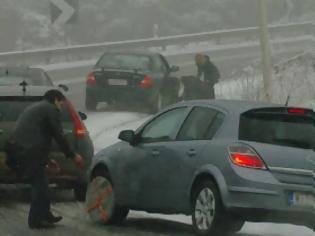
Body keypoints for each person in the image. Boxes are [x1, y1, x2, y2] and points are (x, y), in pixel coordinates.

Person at [4, 89, 84, 229]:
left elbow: (37, 136)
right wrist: (73, 155)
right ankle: (35, 220)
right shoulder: (50, 109)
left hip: (21, 149)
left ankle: (45, 214)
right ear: (55, 100)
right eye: (61, 103)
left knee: (43, 183)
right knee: (39, 185)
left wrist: (46, 160)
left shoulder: (38, 108)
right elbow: (59, 136)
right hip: (28, 151)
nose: (61, 107)